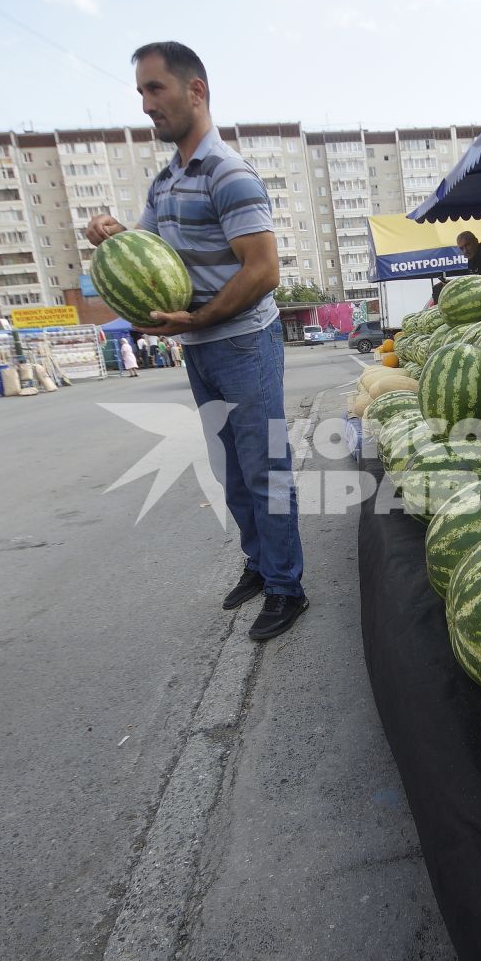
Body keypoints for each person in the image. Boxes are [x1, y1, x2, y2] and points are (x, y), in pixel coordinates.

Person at [84, 41, 307, 641]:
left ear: (195, 91)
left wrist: (201, 319)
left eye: (155, 90)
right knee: (232, 469)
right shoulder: (165, 182)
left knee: (266, 468)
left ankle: (289, 588)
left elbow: (263, 271)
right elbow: (144, 252)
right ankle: (260, 566)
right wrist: (107, 234)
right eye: (141, 93)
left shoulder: (229, 174)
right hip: (202, 347)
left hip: (241, 344)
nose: (146, 105)